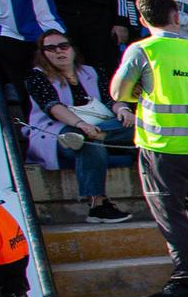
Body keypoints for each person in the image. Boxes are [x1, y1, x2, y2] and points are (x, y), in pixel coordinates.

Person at [110, 0, 188, 297]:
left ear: (143, 20)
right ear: (175, 16)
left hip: (160, 146)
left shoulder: (143, 49)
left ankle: (185, 278)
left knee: (170, 213)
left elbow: (118, 91)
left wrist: (135, 94)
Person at [24, 29, 134, 223]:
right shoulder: (37, 76)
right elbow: (53, 107)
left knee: (141, 125)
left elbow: (110, 100)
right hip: (57, 132)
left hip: (100, 127)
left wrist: (123, 110)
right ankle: (98, 203)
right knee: (85, 142)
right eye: (50, 48)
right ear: (43, 54)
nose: (59, 51)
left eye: (63, 46)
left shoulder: (91, 71)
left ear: (73, 50)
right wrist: (81, 125)